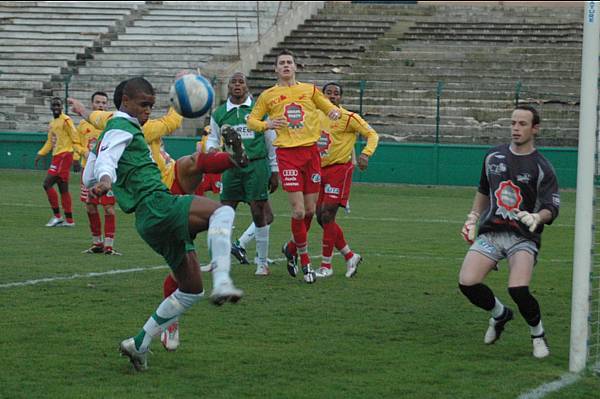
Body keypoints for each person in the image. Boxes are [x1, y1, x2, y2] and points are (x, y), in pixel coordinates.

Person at [71, 75, 247, 353]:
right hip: (157, 202)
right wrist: (106, 177)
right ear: (125, 101)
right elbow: (105, 163)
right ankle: (223, 280)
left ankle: (139, 344)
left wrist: (101, 179)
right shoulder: (121, 124)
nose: (147, 111)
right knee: (222, 212)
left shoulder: (111, 131)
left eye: (151, 106)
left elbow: (91, 173)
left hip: (146, 221)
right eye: (143, 104)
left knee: (190, 289)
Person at [458, 105, 559, 359]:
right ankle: (500, 314)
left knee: (518, 288)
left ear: (535, 129)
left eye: (522, 124)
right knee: (467, 282)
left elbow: (551, 207)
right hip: (492, 233)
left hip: (522, 237)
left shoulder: (542, 167)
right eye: (513, 123)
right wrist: (472, 217)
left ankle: (537, 334)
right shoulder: (493, 156)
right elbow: (483, 190)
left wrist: (537, 216)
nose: (516, 128)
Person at [246, 49, 341, 284]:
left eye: (289, 62)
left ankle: (291, 248)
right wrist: (267, 124)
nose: (286, 66)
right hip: (288, 154)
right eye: (282, 63)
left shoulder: (309, 90)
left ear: (295, 67)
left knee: (310, 211)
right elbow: (251, 120)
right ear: (276, 69)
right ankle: (305, 262)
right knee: (298, 211)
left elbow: (328, 106)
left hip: (311, 154)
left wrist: (334, 111)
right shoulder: (269, 95)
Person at [206, 72, 279, 276]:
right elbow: (212, 138)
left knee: (258, 212)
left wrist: (275, 171)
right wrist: (212, 149)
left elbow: (270, 141)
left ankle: (262, 262)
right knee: (224, 213)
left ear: (247, 87)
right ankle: (218, 260)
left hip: (255, 166)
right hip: (230, 166)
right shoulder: (220, 113)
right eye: (233, 82)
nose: (237, 85)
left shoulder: (259, 110)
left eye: (241, 82)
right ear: (228, 87)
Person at [313, 82, 379, 278]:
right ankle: (350, 256)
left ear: (340, 98)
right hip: (318, 170)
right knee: (320, 217)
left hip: (339, 170)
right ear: (322, 96)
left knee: (327, 215)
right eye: (328, 93)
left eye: (336, 94)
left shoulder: (348, 118)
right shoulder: (314, 115)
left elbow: (372, 135)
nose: (332, 96)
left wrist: (366, 154)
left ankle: (326, 266)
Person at [76, 91, 121, 255]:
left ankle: (109, 246)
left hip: (105, 173)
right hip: (87, 172)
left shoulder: (111, 123)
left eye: (104, 103)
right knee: (90, 207)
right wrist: (83, 152)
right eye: (98, 102)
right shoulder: (82, 125)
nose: (101, 105)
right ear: (92, 104)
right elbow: (75, 144)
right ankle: (97, 244)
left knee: (108, 207)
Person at [34, 97, 85, 227]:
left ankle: (57, 216)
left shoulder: (66, 120)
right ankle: (69, 220)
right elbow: (50, 141)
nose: (56, 107)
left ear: (62, 107)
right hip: (57, 156)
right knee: (63, 188)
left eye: (58, 105)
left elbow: (75, 137)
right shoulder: (52, 123)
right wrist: (40, 154)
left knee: (47, 184)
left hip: (65, 155)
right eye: (54, 105)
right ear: (51, 107)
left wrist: (75, 158)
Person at [195, 125, 223, 196]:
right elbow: (202, 142)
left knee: (217, 185)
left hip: (217, 160)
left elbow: (219, 144)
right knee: (202, 183)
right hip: (207, 161)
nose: (207, 134)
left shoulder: (219, 131)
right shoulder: (206, 130)